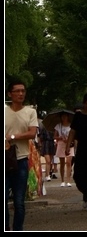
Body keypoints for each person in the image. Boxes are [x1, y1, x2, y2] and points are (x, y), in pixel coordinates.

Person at [5, 79, 39, 232]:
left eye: (23, 91)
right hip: (5, 159)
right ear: (9, 94)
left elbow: (32, 133)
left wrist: (12, 137)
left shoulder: (30, 112)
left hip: (21, 160)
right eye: (17, 91)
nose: (20, 93)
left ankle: (18, 228)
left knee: (19, 201)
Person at [54, 111, 75, 186]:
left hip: (69, 145)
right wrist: (60, 138)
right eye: (62, 116)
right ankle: (62, 180)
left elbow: (74, 135)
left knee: (69, 162)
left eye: (65, 116)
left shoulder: (71, 125)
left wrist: (69, 140)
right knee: (62, 163)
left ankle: (68, 180)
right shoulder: (58, 126)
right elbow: (54, 136)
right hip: (61, 144)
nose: (64, 118)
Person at [37, 117, 55, 182]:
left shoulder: (53, 128)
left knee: (50, 161)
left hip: (52, 143)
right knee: (48, 160)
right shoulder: (43, 127)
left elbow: (55, 136)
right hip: (46, 143)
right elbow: (40, 136)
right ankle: (47, 175)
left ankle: (48, 174)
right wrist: (40, 144)